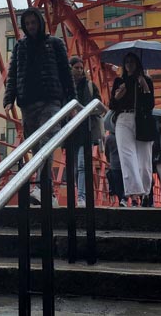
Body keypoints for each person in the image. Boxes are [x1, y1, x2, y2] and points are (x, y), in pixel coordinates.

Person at [3, 7, 76, 206]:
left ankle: (41, 188)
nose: (31, 26)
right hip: (28, 103)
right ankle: (48, 192)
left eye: (33, 22)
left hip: (51, 100)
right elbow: (13, 74)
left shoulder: (55, 43)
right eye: (27, 24)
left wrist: (72, 101)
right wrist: (8, 99)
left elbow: (66, 73)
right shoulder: (20, 47)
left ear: (40, 22)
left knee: (46, 141)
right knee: (36, 147)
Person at [108, 53, 155, 207]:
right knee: (127, 157)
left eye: (132, 62)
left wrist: (145, 87)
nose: (129, 64)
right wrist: (117, 97)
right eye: (127, 62)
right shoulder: (119, 81)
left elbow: (150, 105)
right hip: (123, 119)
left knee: (144, 160)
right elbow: (111, 105)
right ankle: (134, 193)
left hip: (142, 121)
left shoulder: (146, 80)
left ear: (137, 63)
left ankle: (146, 192)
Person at [68, 56, 102, 208]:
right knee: (76, 168)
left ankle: (81, 197)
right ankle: (81, 195)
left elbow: (99, 104)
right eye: (77, 68)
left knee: (81, 165)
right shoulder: (66, 87)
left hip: (86, 130)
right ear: (70, 68)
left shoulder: (90, 85)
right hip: (71, 131)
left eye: (81, 68)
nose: (80, 70)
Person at [104, 131, 126, 205]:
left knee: (118, 185)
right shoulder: (124, 135)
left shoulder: (109, 138)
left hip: (114, 164)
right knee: (125, 183)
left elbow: (106, 152)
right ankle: (124, 198)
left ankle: (121, 200)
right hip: (124, 163)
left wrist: (109, 160)